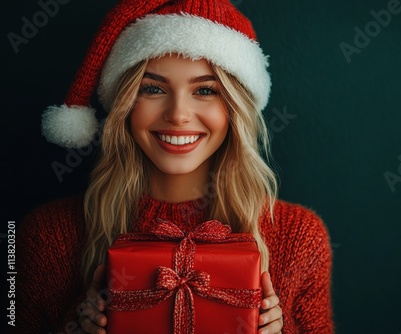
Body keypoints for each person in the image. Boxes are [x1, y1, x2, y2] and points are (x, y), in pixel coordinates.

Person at [17, 0, 334, 333]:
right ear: (124, 103)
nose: (178, 114)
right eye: (152, 88)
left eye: (204, 90)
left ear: (235, 109)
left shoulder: (299, 237)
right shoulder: (48, 236)